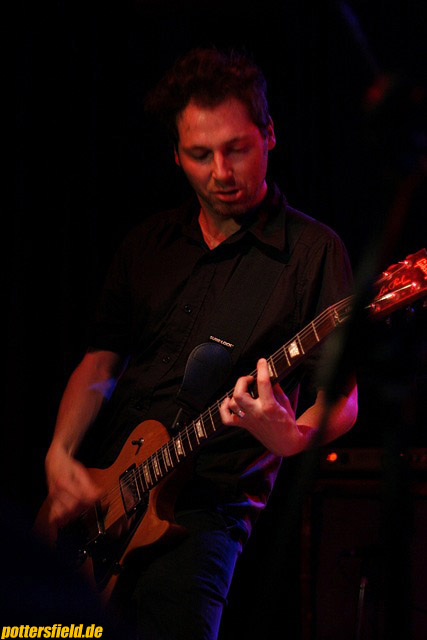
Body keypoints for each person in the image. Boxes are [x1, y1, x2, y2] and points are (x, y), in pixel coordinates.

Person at [43, 48, 358, 639]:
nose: (220, 172)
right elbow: (100, 360)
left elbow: (341, 398)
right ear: (176, 154)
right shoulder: (148, 242)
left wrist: (292, 437)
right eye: (199, 154)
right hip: (102, 497)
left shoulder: (313, 253)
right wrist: (59, 455)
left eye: (236, 149)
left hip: (206, 510)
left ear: (269, 135)